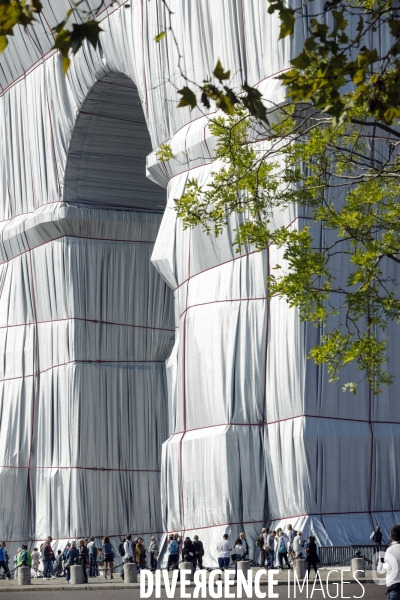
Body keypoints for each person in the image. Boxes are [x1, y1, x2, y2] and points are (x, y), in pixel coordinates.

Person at [378, 524, 400, 600]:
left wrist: (381, 561)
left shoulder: (388, 551)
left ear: (391, 537)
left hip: (394, 588)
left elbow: (381, 570)